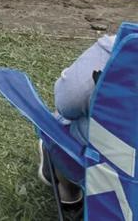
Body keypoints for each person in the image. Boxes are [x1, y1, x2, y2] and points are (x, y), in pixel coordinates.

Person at [37, 33, 117, 209]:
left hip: (107, 168)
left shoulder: (120, 50)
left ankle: (69, 190)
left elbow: (67, 102)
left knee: (64, 119)